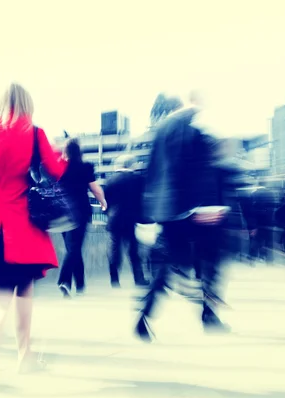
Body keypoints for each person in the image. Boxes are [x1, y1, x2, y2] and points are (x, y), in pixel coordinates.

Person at [0, 83, 67, 386]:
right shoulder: (34, 132)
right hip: (20, 223)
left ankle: (25, 356)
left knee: (8, 287)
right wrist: (61, 155)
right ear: (27, 103)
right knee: (15, 289)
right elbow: (55, 170)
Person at [135, 97, 230, 342]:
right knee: (211, 260)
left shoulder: (160, 134)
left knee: (167, 265)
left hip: (167, 212)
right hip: (191, 210)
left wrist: (150, 213)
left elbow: (152, 175)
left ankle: (144, 317)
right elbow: (197, 170)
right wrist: (205, 206)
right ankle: (209, 314)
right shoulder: (189, 130)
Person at [57, 138, 106, 297]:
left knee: (73, 248)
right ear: (79, 151)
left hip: (61, 212)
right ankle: (64, 281)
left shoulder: (59, 167)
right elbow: (95, 189)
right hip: (80, 212)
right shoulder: (85, 167)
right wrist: (103, 201)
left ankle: (80, 284)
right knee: (74, 248)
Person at [104, 154, 148, 288]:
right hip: (132, 220)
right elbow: (143, 200)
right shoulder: (138, 179)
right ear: (131, 164)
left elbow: (106, 202)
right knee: (134, 251)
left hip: (114, 220)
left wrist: (108, 213)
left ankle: (114, 280)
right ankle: (139, 279)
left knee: (114, 251)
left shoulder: (110, 180)